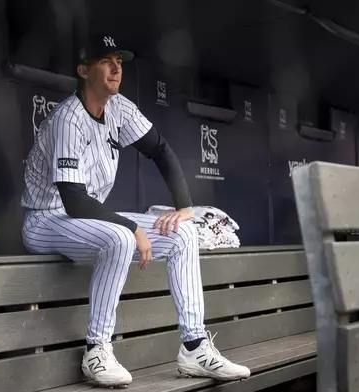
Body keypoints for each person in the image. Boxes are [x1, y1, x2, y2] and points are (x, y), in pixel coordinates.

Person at [20, 34, 250, 387]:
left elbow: (159, 148)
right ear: (83, 70)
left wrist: (185, 207)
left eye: (119, 61)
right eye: (105, 61)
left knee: (183, 233)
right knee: (120, 238)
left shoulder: (119, 109)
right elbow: (72, 199)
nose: (116, 68)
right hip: (46, 219)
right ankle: (97, 349)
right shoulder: (68, 119)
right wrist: (131, 226)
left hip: (85, 218)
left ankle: (194, 347)